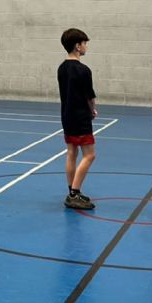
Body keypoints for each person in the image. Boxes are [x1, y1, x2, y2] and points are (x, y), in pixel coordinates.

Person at [57, 28, 97, 210]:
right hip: (80, 117)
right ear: (77, 46)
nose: (86, 46)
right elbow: (89, 96)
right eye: (84, 43)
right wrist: (92, 110)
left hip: (67, 115)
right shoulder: (83, 70)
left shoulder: (61, 68)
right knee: (90, 155)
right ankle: (74, 193)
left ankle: (72, 190)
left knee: (71, 152)